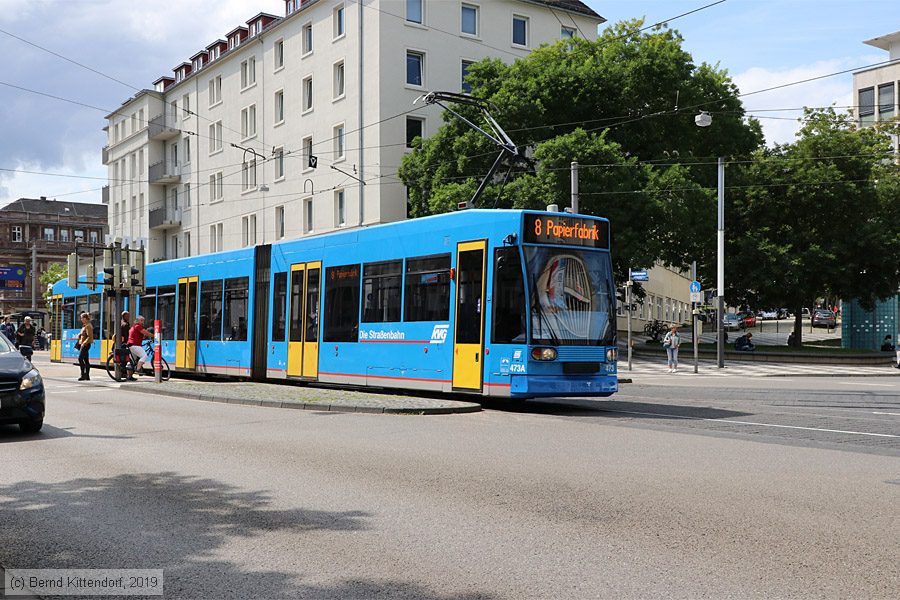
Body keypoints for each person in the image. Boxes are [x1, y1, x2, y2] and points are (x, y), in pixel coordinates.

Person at [127, 315, 153, 379]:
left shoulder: (134, 327)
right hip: (135, 345)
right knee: (144, 356)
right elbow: (145, 333)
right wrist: (155, 336)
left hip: (131, 345)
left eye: (143, 321)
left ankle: (129, 376)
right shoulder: (137, 326)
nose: (142, 322)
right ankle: (138, 369)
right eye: (141, 320)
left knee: (132, 362)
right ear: (137, 321)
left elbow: (141, 335)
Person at [76, 312, 93, 381]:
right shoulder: (85, 325)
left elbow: (90, 337)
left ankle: (83, 375)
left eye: (82, 318)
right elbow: (83, 334)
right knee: (86, 360)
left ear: (85, 318)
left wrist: (84, 343)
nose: (81, 319)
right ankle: (87, 376)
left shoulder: (88, 326)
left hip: (85, 345)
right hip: (83, 344)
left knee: (80, 359)